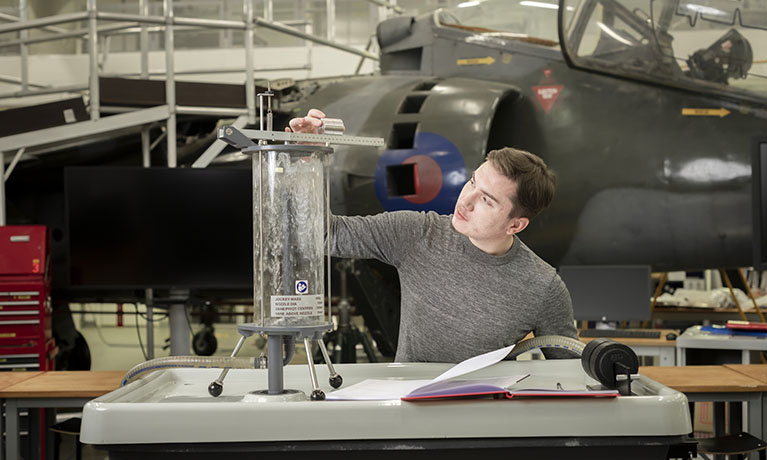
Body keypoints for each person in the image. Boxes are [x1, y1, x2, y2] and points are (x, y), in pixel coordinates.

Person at [289, 109, 578, 363]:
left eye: (487, 200)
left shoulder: (543, 287)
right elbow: (325, 236)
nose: (465, 201)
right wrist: (307, 161)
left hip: (485, 417)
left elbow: (569, 373)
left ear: (516, 225)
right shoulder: (417, 234)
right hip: (412, 413)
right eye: (472, 182)